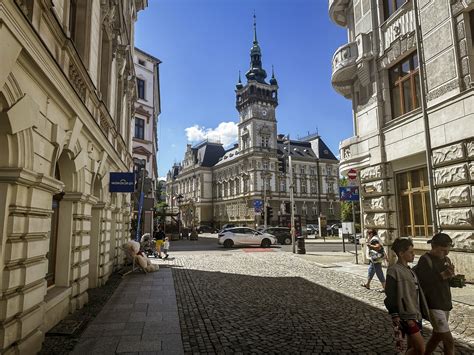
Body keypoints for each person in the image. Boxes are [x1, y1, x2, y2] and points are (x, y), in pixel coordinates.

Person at [385, 237, 429, 355]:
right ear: (401, 253)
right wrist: (395, 314)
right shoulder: (393, 270)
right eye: (410, 252)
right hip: (406, 316)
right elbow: (390, 294)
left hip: (415, 313)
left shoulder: (410, 270)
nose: (413, 254)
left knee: (412, 347)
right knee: (420, 349)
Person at [414, 233, 455, 355]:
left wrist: (452, 277)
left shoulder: (446, 259)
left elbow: (447, 281)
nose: (446, 254)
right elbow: (423, 281)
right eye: (443, 250)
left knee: (437, 335)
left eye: (447, 250)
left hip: (445, 301)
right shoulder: (424, 260)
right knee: (449, 341)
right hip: (433, 303)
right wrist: (443, 275)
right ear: (434, 246)